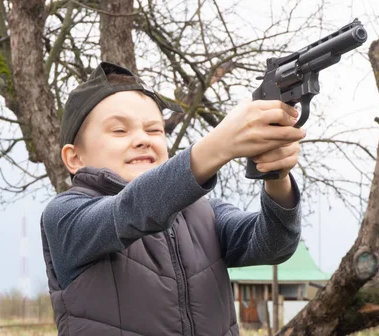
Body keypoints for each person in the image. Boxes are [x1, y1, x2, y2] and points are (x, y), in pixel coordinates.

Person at [41, 62, 305, 336]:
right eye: (119, 130)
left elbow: (275, 245)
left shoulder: (205, 213)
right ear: (74, 158)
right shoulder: (64, 216)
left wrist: (275, 176)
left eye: (154, 130)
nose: (143, 139)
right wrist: (220, 145)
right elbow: (131, 210)